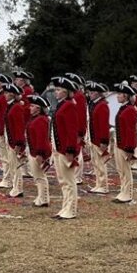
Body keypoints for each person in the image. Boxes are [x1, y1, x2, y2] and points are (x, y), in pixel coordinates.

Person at [50, 76, 80, 219]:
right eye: (56, 89)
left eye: (60, 90)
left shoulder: (69, 105)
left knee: (69, 181)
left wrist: (70, 150)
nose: (56, 92)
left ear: (67, 92)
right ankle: (65, 207)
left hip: (65, 149)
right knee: (63, 181)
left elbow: (71, 130)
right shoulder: (61, 105)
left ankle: (71, 209)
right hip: (58, 148)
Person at [112, 83, 137, 204]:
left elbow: (130, 130)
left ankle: (128, 194)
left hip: (125, 145)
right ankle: (123, 191)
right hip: (119, 143)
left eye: (119, 94)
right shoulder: (123, 108)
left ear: (126, 96)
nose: (117, 96)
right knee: (121, 170)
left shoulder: (129, 109)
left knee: (126, 170)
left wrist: (129, 148)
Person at [25, 95, 52, 208]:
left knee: (40, 176)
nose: (29, 108)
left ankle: (44, 198)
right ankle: (41, 196)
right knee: (37, 176)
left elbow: (42, 138)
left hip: (38, 152)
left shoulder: (41, 120)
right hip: (33, 151)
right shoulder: (35, 118)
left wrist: (40, 154)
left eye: (32, 106)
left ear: (38, 108)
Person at [86, 81, 111, 194]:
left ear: (98, 93)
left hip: (99, 139)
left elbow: (103, 125)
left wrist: (104, 141)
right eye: (89, 92)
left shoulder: (102, 105)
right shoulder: (95, 104)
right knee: (96, 163)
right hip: (94, 138)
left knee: (100, 163)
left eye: (92, 92)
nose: (90, 94)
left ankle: (103, 185)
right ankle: (98, 183)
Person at [3, 83, 26, 198]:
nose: (5, 95)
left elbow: (19, 126)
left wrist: (18, 143)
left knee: (15, 166)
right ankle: (15, 186)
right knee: (12, 165)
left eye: (7, 93)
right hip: (10, 138)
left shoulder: (16, 107)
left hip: (14, 141)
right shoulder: (11, 106)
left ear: (12, 95)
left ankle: (18, 188)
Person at [65, 73, 88, 185]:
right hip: (70, 128)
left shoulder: (79, 96)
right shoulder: (72, 96)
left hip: (76, 128)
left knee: (77, 152)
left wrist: (80, 132)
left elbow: (81, 115)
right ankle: (74, 174)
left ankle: (77, 176)